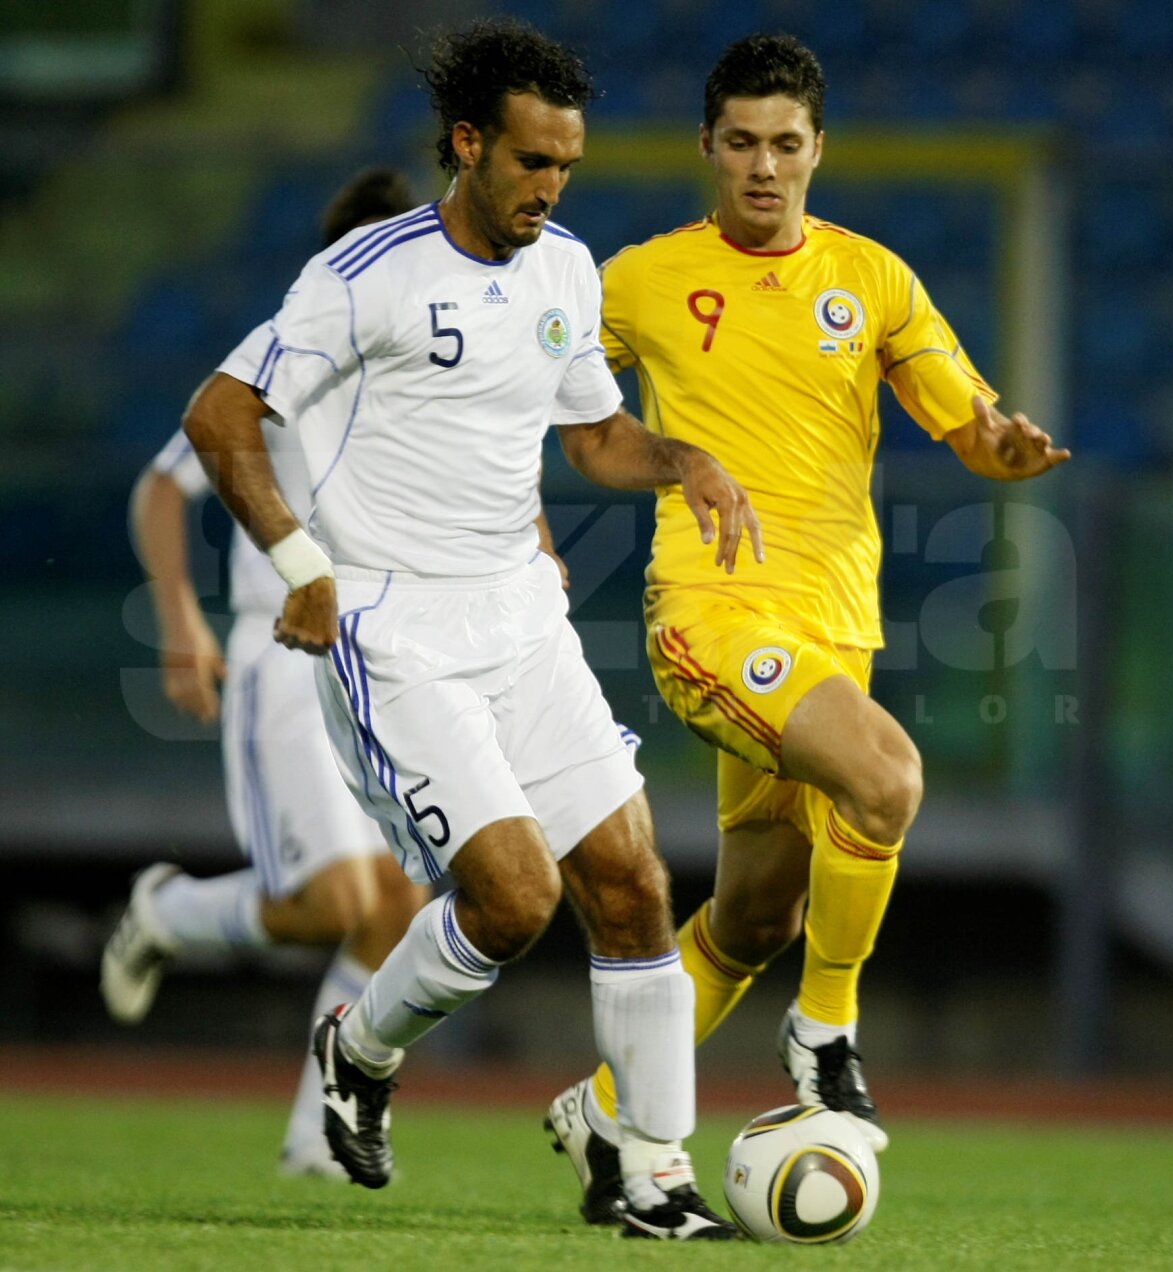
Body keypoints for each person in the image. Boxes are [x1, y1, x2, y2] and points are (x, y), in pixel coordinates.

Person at [181, 18, 762, 1241]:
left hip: (520, 611)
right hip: (389, 622)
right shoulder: (365, 274)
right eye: (530, 163)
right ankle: (361, 1050)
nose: (550, 188)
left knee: (634, 883)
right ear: (467, 144)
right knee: (510, 900)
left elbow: (596, 438)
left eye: (567, 167)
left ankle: (650, 1176)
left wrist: (685, 460)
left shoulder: (564, 272)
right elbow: (222, 411)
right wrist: (299, 564)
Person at [546, 32, 1070, 1223]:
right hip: (713, 617)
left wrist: (1013, 451)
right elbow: (576, 419)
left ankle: (604, 1108)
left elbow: (971, 425)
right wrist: (656, 465)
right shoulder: (634, 281)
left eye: (786, 145)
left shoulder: (873, 281)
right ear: (708, 148)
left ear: (818, 150)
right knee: (886, 778)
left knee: (750, 920)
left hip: (836, 629)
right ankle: (826, 1033)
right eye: (742, 143)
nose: (764, 167)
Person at [102, 166, 434, 1180]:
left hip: (391, 660)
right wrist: (177, 623)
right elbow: (164, 489)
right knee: (337, 904)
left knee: (399, 909)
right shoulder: (289, 360)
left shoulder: (439, 374)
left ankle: (318, 1140)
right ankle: (168, 912)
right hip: (284, 653)